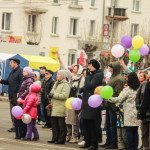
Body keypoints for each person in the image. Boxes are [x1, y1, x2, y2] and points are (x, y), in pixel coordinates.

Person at [108, 72, 140, 150]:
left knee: (128, 131)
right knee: (135, 132)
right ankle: (135, 147)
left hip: (128, 113)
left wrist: (108, 98)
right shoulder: (138, 89)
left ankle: (130, 148)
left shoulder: (127, 89)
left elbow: (119, 99)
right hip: (137, 113)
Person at [80, 59, 104, 150]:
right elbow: (87, 86)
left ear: (94, 66)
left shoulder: (98, 75)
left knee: (92, 124)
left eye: (90, 65)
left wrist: (86, 77)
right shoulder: (92, 75)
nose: (88, 67)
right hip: (87, 102)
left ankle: (94, 144)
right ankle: (88, 142)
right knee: (86, 123)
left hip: (93, 103)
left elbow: (91, 85)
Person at [101, 61, 124, 149]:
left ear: (115, 69)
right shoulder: (113, 77)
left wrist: (108, 96)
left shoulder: (118, 78)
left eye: (111, 68)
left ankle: (114, 143)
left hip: (113, 105)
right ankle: (108, 141)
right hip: (108, 104)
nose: (110, 69)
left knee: (112, 125)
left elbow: (117, 92)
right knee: (108, 124)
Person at [0, 58, 23, 132]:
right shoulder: (12, 72)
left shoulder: (20, 71)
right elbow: (8, 81)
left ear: (16, 63)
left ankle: (17, 127)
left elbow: (21, 82)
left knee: (16, 111)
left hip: (16, 95)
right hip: (11, 94)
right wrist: (1, 81)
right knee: (12, 111)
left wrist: (19, 92)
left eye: (11, 63)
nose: (10, 64)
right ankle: (14, 126)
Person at [47, 70, 70, 144]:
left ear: (63, 76)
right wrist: (49, 95)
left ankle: (61, 140)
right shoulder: (56, 83)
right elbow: (52, 92)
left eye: (58, 74)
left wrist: (53, 95)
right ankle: (54, 138)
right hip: (54, 106)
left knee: (61, 125)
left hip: (61, 107)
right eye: (57, 74)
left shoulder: (65, 84)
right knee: (54, 125)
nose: (57, 76)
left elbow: (64, 96)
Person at [66, 64, 85, 143]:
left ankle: (75, 136)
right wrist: (59, 59)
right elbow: (65, 70)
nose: (74, 69)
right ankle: (69, 135)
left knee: (76, 119)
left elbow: (81, 90)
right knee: (68, 119)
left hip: (77, 100)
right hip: (70, 99)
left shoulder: (82, 79)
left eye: (76, 68)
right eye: (73, 68)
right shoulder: (71, 78)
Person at [15, 67, 34, 139]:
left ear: (28, 72)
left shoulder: (29, 80)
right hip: (22, 99)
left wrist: (21, 96)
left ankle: (22, 134)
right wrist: (19, 93)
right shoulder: (25, 79)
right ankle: (19, 134)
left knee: (21, 116)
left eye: (24, 71)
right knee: (18, 116)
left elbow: (28, 90)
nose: (23, 72)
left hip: (24, 100)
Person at [139, 72, 150, 150]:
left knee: (145, 134)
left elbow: (145, 100)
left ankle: (145, 147)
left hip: (147, 114)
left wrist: (141, 115)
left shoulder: (148, 85)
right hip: (146, 112)